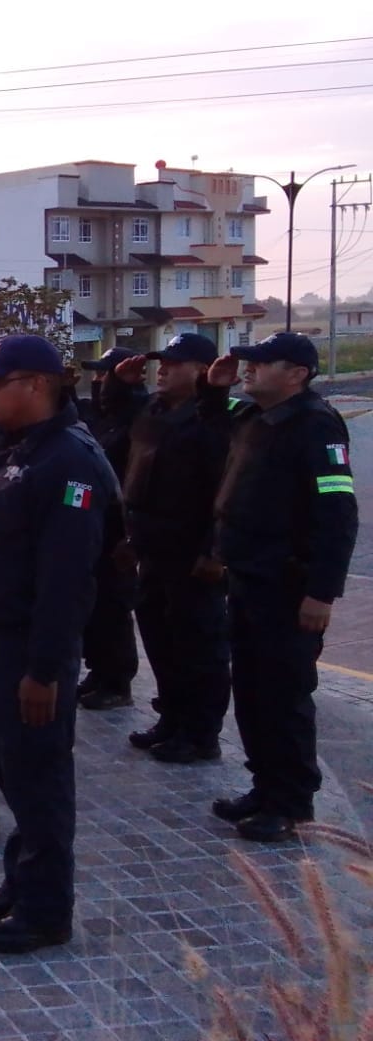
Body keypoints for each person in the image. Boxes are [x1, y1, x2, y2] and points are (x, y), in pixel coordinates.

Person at [0, 335, 116, 955]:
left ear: (38, 385)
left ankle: (46, 911)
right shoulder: (14, 446)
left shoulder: (70, 462)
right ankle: (21, 883)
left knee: (40, 778)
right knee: (15, 772)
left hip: (28, 647)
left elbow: (66, 578)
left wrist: (44, 669)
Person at [208, 332, 358, 842]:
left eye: (261, 363)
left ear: (296, 373)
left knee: (284, 696)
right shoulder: (255, 418)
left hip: (288, 589)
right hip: (249, 579)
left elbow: (337, 513)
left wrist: (323, 592)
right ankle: (264, 786)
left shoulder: (315, 425)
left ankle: (290, 802)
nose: (248, 370)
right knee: (251, 692)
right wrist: (215, 388)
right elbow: (202, 428)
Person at [116, 335, 232, 763]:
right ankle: (172, 717)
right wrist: (121, 386)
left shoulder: (213, 421)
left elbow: (226, 492)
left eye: (174, 363)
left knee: (198, 647)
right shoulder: (153, 410)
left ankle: (201, 734)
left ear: (201, 371)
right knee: (160, 639)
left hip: (192, 554)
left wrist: (213, 552)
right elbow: (120, 435)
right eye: (160, 362)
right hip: (152, 548)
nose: (161, 369)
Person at [74, 347, 147, 710]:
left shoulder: (134, 417)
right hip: (94, 524)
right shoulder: (100, 418)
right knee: (96, 607)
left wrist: (130, 391)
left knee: (114, 609)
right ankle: (100, 672)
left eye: (107, 374)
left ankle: (117, 681)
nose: (99, 380)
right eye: (98, 374)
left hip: (118, 530)